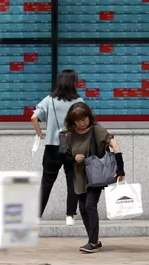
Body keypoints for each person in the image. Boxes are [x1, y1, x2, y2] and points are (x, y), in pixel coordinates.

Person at [64, 102, 125, 253]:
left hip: (96, 175)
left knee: (90, 205)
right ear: (73, 121)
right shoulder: (70, 134)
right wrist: (73, 158)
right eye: (77, 121)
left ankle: (92, 243)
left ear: (89, 117)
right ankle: (95, 240)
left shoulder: (97, 130)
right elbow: (63, 156)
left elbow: (115, 146)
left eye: (84, 119)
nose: (81, 123)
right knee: (83, 209)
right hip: (79, 176)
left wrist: (120, 169)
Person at [31, 69, 83, 225]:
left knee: (46, 181)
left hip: (52, 147)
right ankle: (70, 216)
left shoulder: (49, 100)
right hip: (72, 147)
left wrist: (40, 134)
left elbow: (34, 117)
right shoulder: (79, 101)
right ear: (73, 82)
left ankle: (36, 216)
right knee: (72, 181)